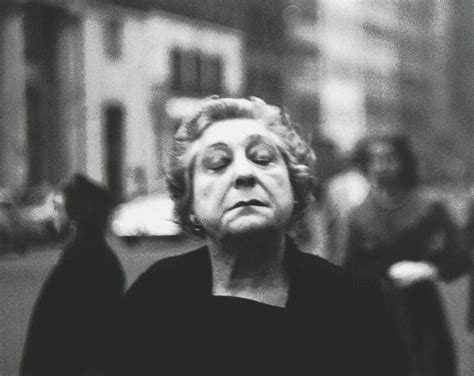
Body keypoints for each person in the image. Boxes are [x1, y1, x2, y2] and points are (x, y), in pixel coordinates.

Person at [111, 97, 407, 376]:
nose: (244, 174)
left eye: (263, 159)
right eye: (217, 163)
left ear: (295, 187)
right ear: (189, 203)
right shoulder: (154, 297)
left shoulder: (358, 304)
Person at [343, 132, 470, 376]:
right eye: (374, 160)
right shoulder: (358, 216)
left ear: (404, 162)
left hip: (422, 312)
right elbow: (349, 268)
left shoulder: (429, 207)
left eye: (389, 159)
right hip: (378, 312)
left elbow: (460, 255)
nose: (381, 167)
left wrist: (429, 269)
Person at [21, 174, 125, 376]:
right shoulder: (97, 255)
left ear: (75, 214)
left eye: (59, 208)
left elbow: (59, 334)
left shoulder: (81, 259)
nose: (54, 215)